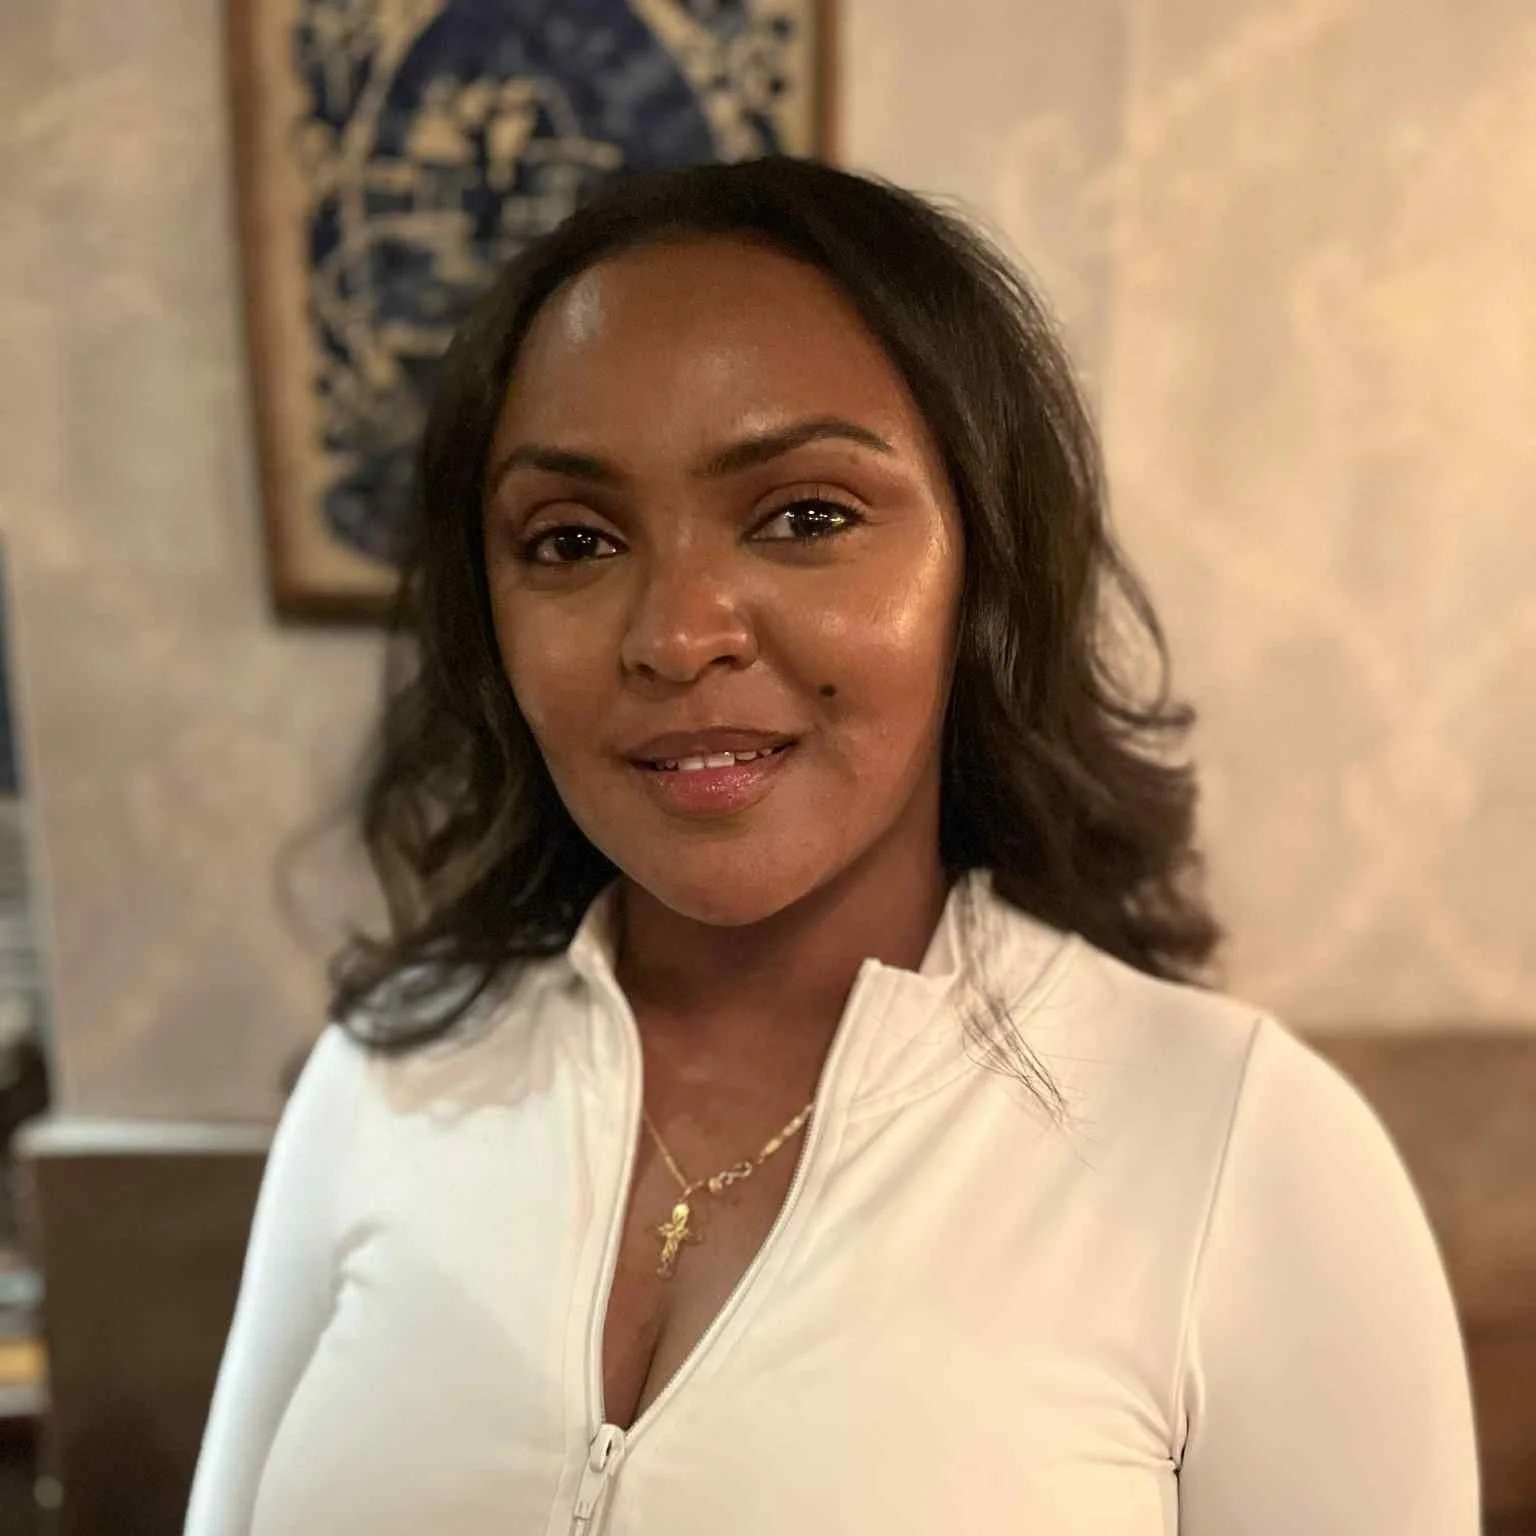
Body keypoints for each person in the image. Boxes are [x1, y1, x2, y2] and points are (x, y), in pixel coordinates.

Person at [184, 156, 1480, 1535]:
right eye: (570, 539)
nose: (677, 634)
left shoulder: (1240, 1151)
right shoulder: (384, 1085)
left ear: (984, 567)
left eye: (807, 516)